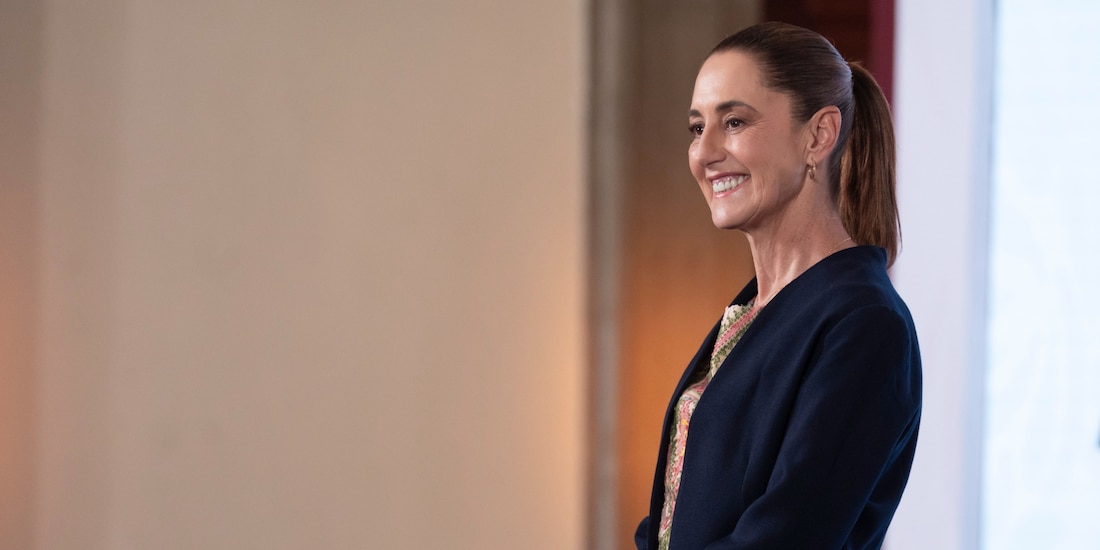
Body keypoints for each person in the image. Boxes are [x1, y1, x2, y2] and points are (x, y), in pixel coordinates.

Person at [634, 22, 922, 550]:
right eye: (697, 128)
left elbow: (787, 538)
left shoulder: (863, 323)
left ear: (819, 134)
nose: (704, 153)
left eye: (735, 122)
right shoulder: (751, 310)